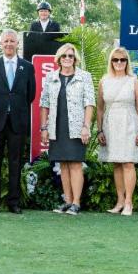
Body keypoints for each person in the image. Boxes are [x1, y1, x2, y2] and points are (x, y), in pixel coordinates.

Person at [0, 29, 36, 214]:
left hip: (17, 122)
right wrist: (1, 108)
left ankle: (14, 202)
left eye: (12, 41)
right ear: (1, 44)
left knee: (15, 163)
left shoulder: (27, 67)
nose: (9, 44)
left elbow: (31, 94)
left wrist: (14, 108)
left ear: (17, 43)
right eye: (6, 41)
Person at [39, 43, 95, 215]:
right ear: (59, 59)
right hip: (57, 126)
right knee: (63, 164)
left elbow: (89, 103)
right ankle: (67, 201)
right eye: (64, 56)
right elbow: (44, 104)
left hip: (77, 127)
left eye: (71, 56)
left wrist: (86, 126)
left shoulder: (84, 76)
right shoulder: (51, 77)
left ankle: (76, 203)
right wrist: (44, 128)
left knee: (76, 164)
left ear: (75, 59)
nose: (67, 59)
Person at [96, 47, 138, 216]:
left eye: (122, 60)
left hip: (129, 123)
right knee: (116, 163)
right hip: (111, 124)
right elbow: (100, 109)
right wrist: (99, 130)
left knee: (128, 162)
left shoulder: (133, 81)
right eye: (115, 60)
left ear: (127, 62)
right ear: (111, 61)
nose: (119, 63)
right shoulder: (104, 81)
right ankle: (120, 201)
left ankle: (129, 202)